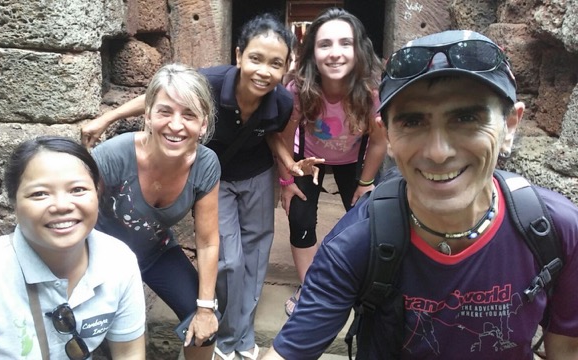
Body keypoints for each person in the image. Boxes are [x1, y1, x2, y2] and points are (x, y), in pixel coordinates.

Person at [264, 30, 578, 359]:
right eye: (413, 122)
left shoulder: (555, 229)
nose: (439, 152)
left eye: (467, 118)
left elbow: (567, 347)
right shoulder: (357, 242)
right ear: (387, 136)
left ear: (510, 125)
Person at [81, 15, 322, 360]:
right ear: (239, 56)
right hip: (202, 183)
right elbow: (159, 99)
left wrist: (289, 167)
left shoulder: (278, 103)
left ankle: (240, 336)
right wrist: (107, 118)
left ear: (287, 67)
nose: (264, 70)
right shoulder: (204, 85)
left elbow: (272, 132)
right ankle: (225, 336)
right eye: (256, 58)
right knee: (229, 258)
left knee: (253, 254)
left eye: (276, 63)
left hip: (249, 173)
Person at [0, 136, 146, 359]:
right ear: (14, 203)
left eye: (77, 189)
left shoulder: (117, 260)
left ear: (97, 192)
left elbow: (129, 353)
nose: (62, 206)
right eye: (40, 194)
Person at [90, 64, 220, 360]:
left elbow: (208, 240)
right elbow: (76, 218)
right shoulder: (112, 156)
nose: (176, 125)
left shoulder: (206, 164)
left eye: (188, 114)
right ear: (147, 114)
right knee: (107, 334)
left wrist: (204, 307)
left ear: (203, 124)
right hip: (102, 257)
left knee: (205, 324)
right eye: (165, 112)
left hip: (154, 252)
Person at [278, 8, 387, 316]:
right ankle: (310, 287)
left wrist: (366, 183)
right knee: (299, 215)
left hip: (354, 157)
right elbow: (284, 138)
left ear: (359, 49)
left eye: (345, 43)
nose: (335, 53)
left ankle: (357, 280)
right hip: (306, 157)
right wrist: (287, 180)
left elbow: (380, 141)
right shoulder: (298, 88)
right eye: (325, 44)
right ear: (312, 51)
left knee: (367, 217)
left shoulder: (372, 91)